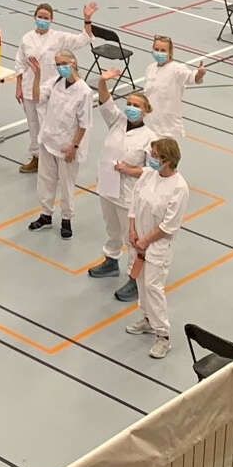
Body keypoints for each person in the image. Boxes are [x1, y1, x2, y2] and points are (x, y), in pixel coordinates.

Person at [90, 71, 155, 299]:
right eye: (129, 104)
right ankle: (111, 260)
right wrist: (102, 81)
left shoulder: (150, 137)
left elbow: (153, 170)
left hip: (129, 195)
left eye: (136, 105)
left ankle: (135, 280)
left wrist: (130, 170)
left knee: (132, 237)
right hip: (108, 186)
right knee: (112, 229)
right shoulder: (117, 121)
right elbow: (105, 101)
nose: (131, 108)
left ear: (146, 111)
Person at [14, 2, 98, 173]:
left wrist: (87, 19)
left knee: (50, 125)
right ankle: (37, 157)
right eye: (40, 17)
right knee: (33, 125)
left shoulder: (58, 38)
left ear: (52, 19)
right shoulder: (26, 38)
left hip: (51, 91)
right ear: (34, 17)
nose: (42, 20)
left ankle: (53, 158)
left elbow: (83, 39)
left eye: (46, 18)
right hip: (30, 89)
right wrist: (18, 87)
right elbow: (20, 63)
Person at [126, 137, 188, 359]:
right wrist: (132, 231)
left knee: (153, 287)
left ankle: (163, 335)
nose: (150, 159)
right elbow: (134, 204)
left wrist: (145, 241)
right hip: (138, 240)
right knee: (141, 282)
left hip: (157, 246)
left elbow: (168, 225)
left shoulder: (179, 188)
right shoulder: (148, 175)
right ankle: (147, 319)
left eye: (154, 156)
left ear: (167, 160)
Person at [28, 50, 93, 238]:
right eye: (57, 64)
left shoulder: (84, 91)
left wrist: (74, 146)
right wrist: (37, 75)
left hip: (67, 146)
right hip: (49, 140)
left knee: (66, 184)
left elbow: (84, 123)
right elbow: (37, 97)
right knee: (46, 180)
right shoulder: (56, 81)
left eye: (64, 63)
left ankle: (66, 219)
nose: (60, 67)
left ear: (74, 62)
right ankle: (46, 214)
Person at [141, 35, 208, 140]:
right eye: (156, 49)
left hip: (168, 129)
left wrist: (200, 73)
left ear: (170, 52)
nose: (159, 53)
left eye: (163, 50)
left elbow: (191, 77)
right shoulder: (150, 68)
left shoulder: (177, 69)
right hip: (149, 124)